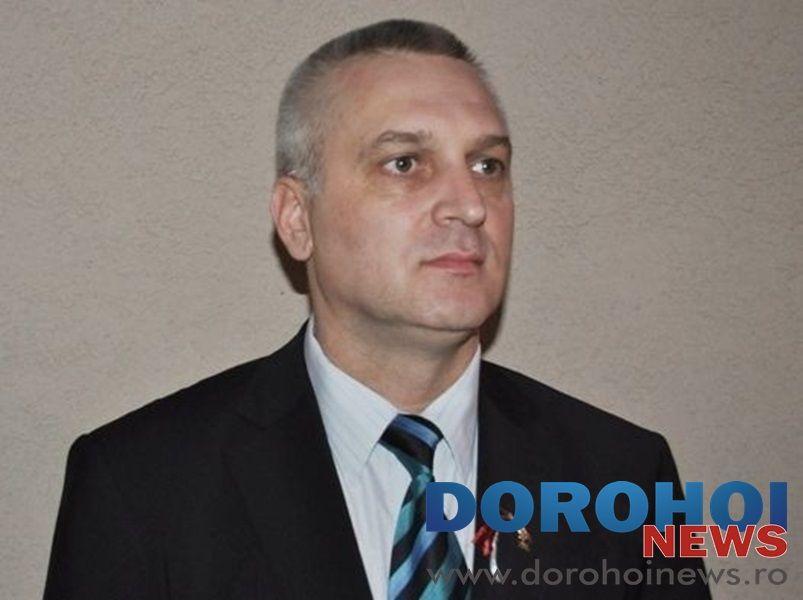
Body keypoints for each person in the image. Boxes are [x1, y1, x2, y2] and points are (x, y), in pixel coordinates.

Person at [44, 19, 711, 600]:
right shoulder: (141, 485)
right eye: (405, 163)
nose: (468, 205)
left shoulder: (622, 476)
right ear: (297, 218)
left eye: (487, 166)